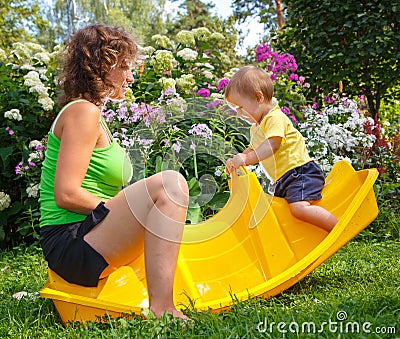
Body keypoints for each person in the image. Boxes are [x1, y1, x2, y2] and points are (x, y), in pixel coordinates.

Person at [39, 24, 190, 320]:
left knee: (163, 204)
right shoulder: (83, 112)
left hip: (88, 235)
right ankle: (164, 310)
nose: (130, 76)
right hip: (72, 242)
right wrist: (115, 211)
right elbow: (66, 193)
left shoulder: (91, 114)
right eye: (123, 67)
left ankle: (163, 301)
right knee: (170, 185)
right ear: (98, 66)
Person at [224, 65, 337, 232]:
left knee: (298, 208)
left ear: (258, 98)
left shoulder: (274, 118)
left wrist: (247, 159)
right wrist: (238, 159)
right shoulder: (256, 128)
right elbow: (252, 149)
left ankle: (337, 227)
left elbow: (272, 144)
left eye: (240, 108)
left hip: (300, 173)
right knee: (279, 212)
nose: (238, 114)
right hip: (283, 180)